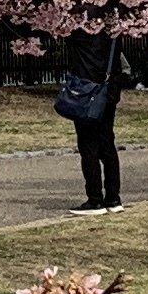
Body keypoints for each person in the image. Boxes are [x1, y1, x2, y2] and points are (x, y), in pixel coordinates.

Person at [54, 26, 130, 212]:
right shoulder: (113, 33)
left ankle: (94, 199)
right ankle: (113, 198)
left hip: (86, 92)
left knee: (88, 146)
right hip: (108, 91)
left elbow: (61, 29)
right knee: (107, 144)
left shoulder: (80, 32)